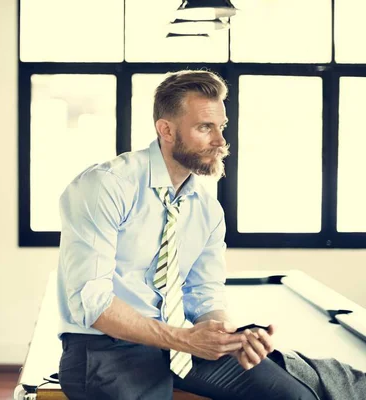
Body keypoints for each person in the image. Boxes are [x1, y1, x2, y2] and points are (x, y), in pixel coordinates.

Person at [56, 70, 318, 399]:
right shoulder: (106, 186)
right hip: (105, 348)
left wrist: (227, 335)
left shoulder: (207, 209)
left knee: (296, 396)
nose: (220, 141)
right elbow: (92, 303)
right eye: (204, 127)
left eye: (220, 127)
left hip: (178, 341)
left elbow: (204, 296)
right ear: (166, 130)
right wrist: (183, 339)